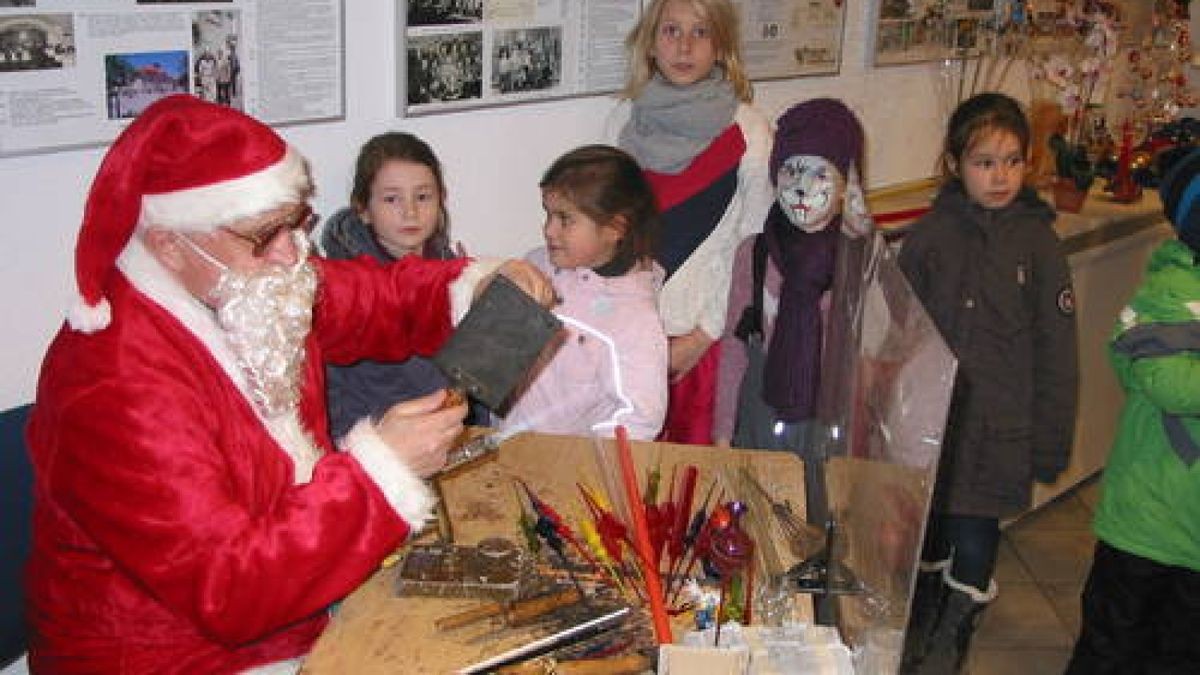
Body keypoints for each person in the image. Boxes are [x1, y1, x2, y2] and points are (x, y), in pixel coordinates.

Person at [23, 94, 553, 673]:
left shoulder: (254, 279)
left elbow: (378, 299)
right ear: (168, 243)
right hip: (172, 656)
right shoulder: (113, 382)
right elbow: (228, 589)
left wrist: (475, 283)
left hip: (295, 605)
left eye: (295, 225)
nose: (289, 256)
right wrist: (383, 469)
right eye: (262, 235)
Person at [897, 92, 1078, 674]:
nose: (1000, 176)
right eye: (984, 162)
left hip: (1000, 433)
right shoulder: (929, 237)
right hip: (933, 430)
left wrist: (1048, 442)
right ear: (955, 164)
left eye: (1012, 161)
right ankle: (919, 632)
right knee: (925, 542)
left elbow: (1058, 352)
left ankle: (952, 643)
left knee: (975, 543)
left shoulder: (1039, 243)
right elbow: (898, 337)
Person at [612, 0, 773, 444]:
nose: (684, 46)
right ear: (651, 44)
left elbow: (751, 248)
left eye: (700, 32)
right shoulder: (630, 127)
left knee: (697, 486)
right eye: (671, 31)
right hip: (638, 340)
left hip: (708, 346)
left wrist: (702, 336)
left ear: (720, 46)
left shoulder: (750, 131)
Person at [1064, 148, 1200, 674]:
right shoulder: (1168, 293)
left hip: (1191, 533)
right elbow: (1168, 382)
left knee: (1180, 652)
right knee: (1114, 645)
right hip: (1147, 519)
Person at [715, 98, 864, 450]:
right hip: (762, 419)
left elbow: (871, 364)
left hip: (831, 425)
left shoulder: (857, 259)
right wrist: (722, 432)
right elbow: (734, 349)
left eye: (820, 174)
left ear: (845, 185)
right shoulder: (754, 254)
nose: (802, 188)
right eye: (792, 171)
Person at [498, 145, 669, 440]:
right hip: (503, 441)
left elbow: (639, 419)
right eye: (548, 214)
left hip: (568, 468)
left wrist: (579, 462)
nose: (549, 230)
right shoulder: (536, 265)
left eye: (565, 219)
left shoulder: (635, 321)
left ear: (615, 228)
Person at [321, 131, 472, 440]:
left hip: (446, 434)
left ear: (441, 199)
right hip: (378, 447)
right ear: (363, 208)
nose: (410, 212)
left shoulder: (449, 265)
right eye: (392, 199)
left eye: (422, 196)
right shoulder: (343, 291)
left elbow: (466, 374)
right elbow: (336, 400)